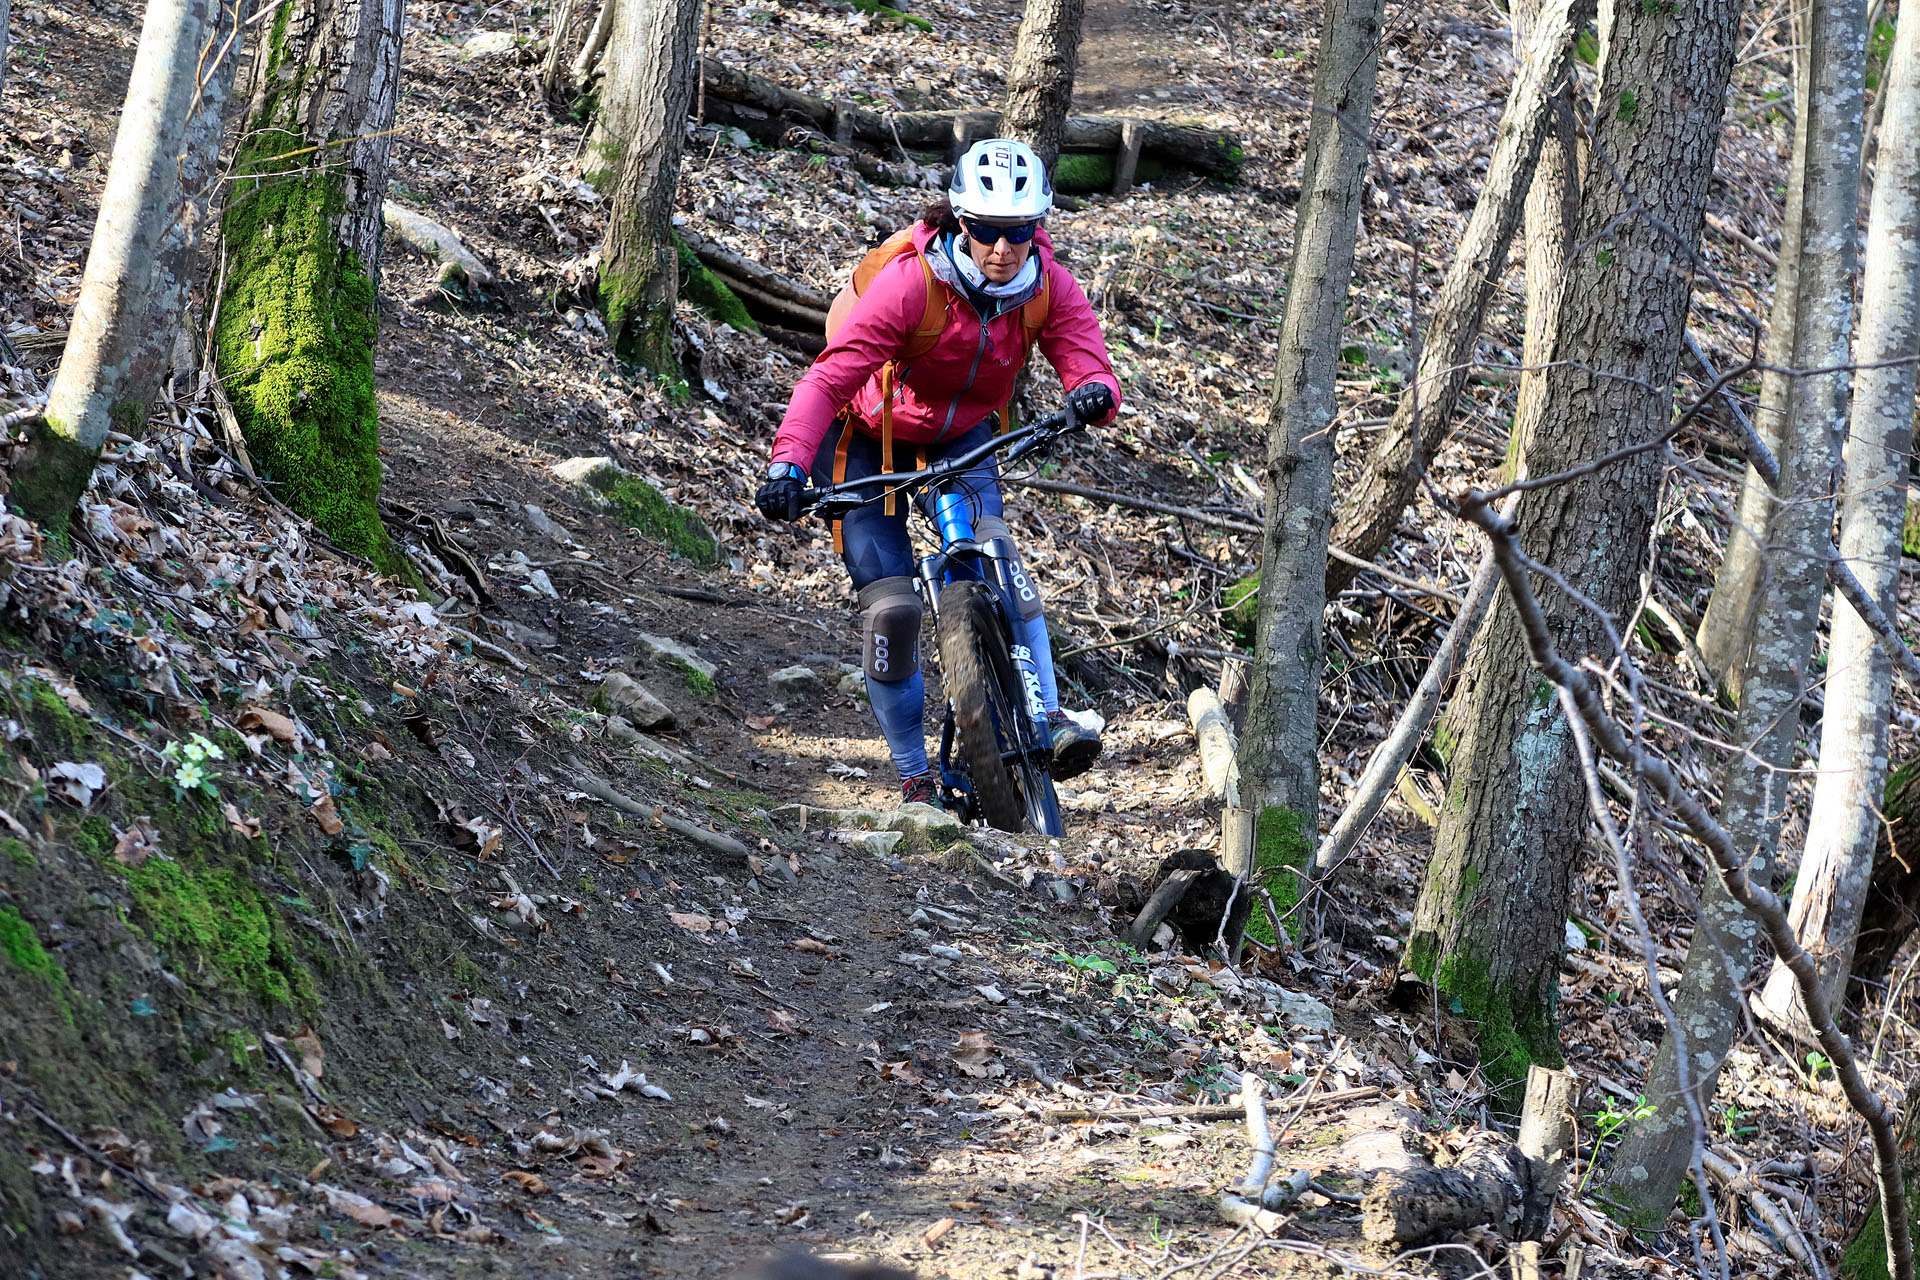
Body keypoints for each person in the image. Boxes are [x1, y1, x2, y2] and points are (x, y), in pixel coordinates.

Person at [754, 138, 1122, 810]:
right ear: (960, 221)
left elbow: (1086, 358)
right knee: (891, 610)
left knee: (997, 555)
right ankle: (915, 775)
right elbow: (829, 378)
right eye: (986, 231)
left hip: (959, 439)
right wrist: (788, 462)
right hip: (865, 439)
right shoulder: (912, 284)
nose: (1002, 248)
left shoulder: (1046, 285)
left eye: (1017, 232)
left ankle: (1047, 716)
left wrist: (1096, 391)